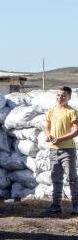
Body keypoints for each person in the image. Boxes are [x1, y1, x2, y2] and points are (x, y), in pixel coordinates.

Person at [40, 86, 78, 217]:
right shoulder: (51, 111)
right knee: (56, 179)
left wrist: (60, 139)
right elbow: (47, 127)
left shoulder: (72, 112)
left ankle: (76, 205)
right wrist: (49, 135)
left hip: (68, 150)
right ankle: (55, 206)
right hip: (53, 150)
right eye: (58, 95)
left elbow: (75, 131)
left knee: (72, 178)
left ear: (69, 97)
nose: (60, 97)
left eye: (63, 95)